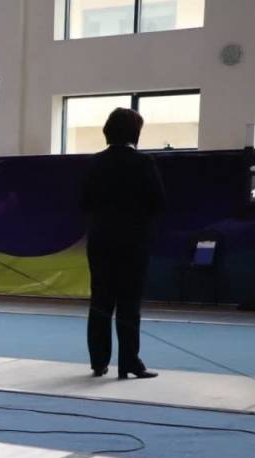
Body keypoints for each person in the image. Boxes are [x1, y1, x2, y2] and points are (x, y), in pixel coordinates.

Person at [80, 108, 165, 380]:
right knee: (129, 303)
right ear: (135, 133)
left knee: (100, 301)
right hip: (133, 242)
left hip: (101, 240)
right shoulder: (144, 162)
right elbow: (158, 202)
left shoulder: (94, 163)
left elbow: (84, 202)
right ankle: (129, 361)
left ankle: (98, 361)